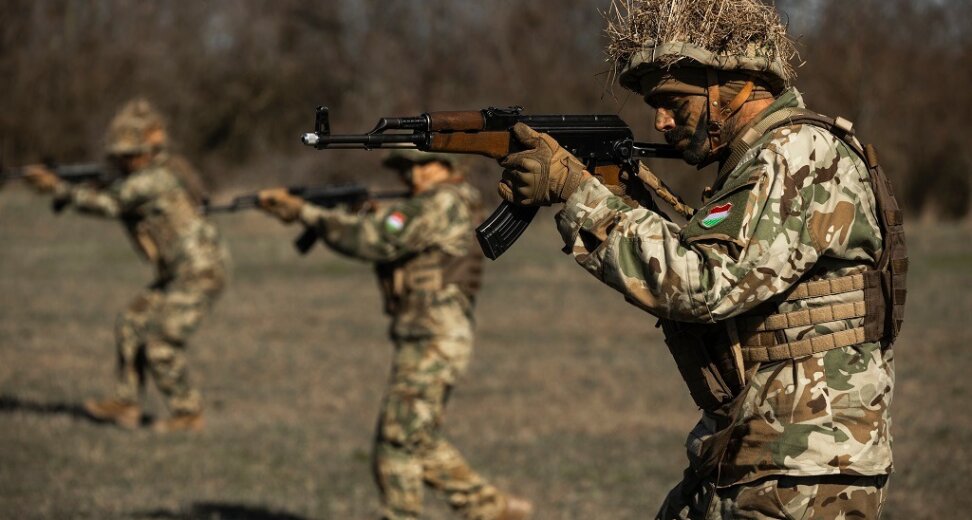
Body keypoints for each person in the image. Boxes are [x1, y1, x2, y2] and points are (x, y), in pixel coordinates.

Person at [494, 0, 906, 518]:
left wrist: (579, 195)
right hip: (764, 450)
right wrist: (618, 200)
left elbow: (706, 283)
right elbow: (713, 262)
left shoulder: (793, 154)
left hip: (802, 466)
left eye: (673, 102)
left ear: (733, 86)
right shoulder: (768, 157)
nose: (660, 120)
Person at [256, 150, 532, 520]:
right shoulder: (444, 202)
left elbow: (374, 240)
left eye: (421, 165)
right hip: (431, 333)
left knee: (397, 440)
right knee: (415, 436)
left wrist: (305, 212)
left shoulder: (439, 203)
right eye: (405, 169)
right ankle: (491, 507)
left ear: (448, 165)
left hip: (434, 336)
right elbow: (391, 234)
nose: (412, 175)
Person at [24, 98, 228, 433]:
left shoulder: (156, 179)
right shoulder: (146, 176)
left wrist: (59, 188)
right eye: (120, 157)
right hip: (177, 273)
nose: (125, 162)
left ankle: (188, 415)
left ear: (150, 151)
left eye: (132, 156)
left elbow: (113, 203)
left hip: (199, 272)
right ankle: (126, 402)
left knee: (161, 344)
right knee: (131, 322)